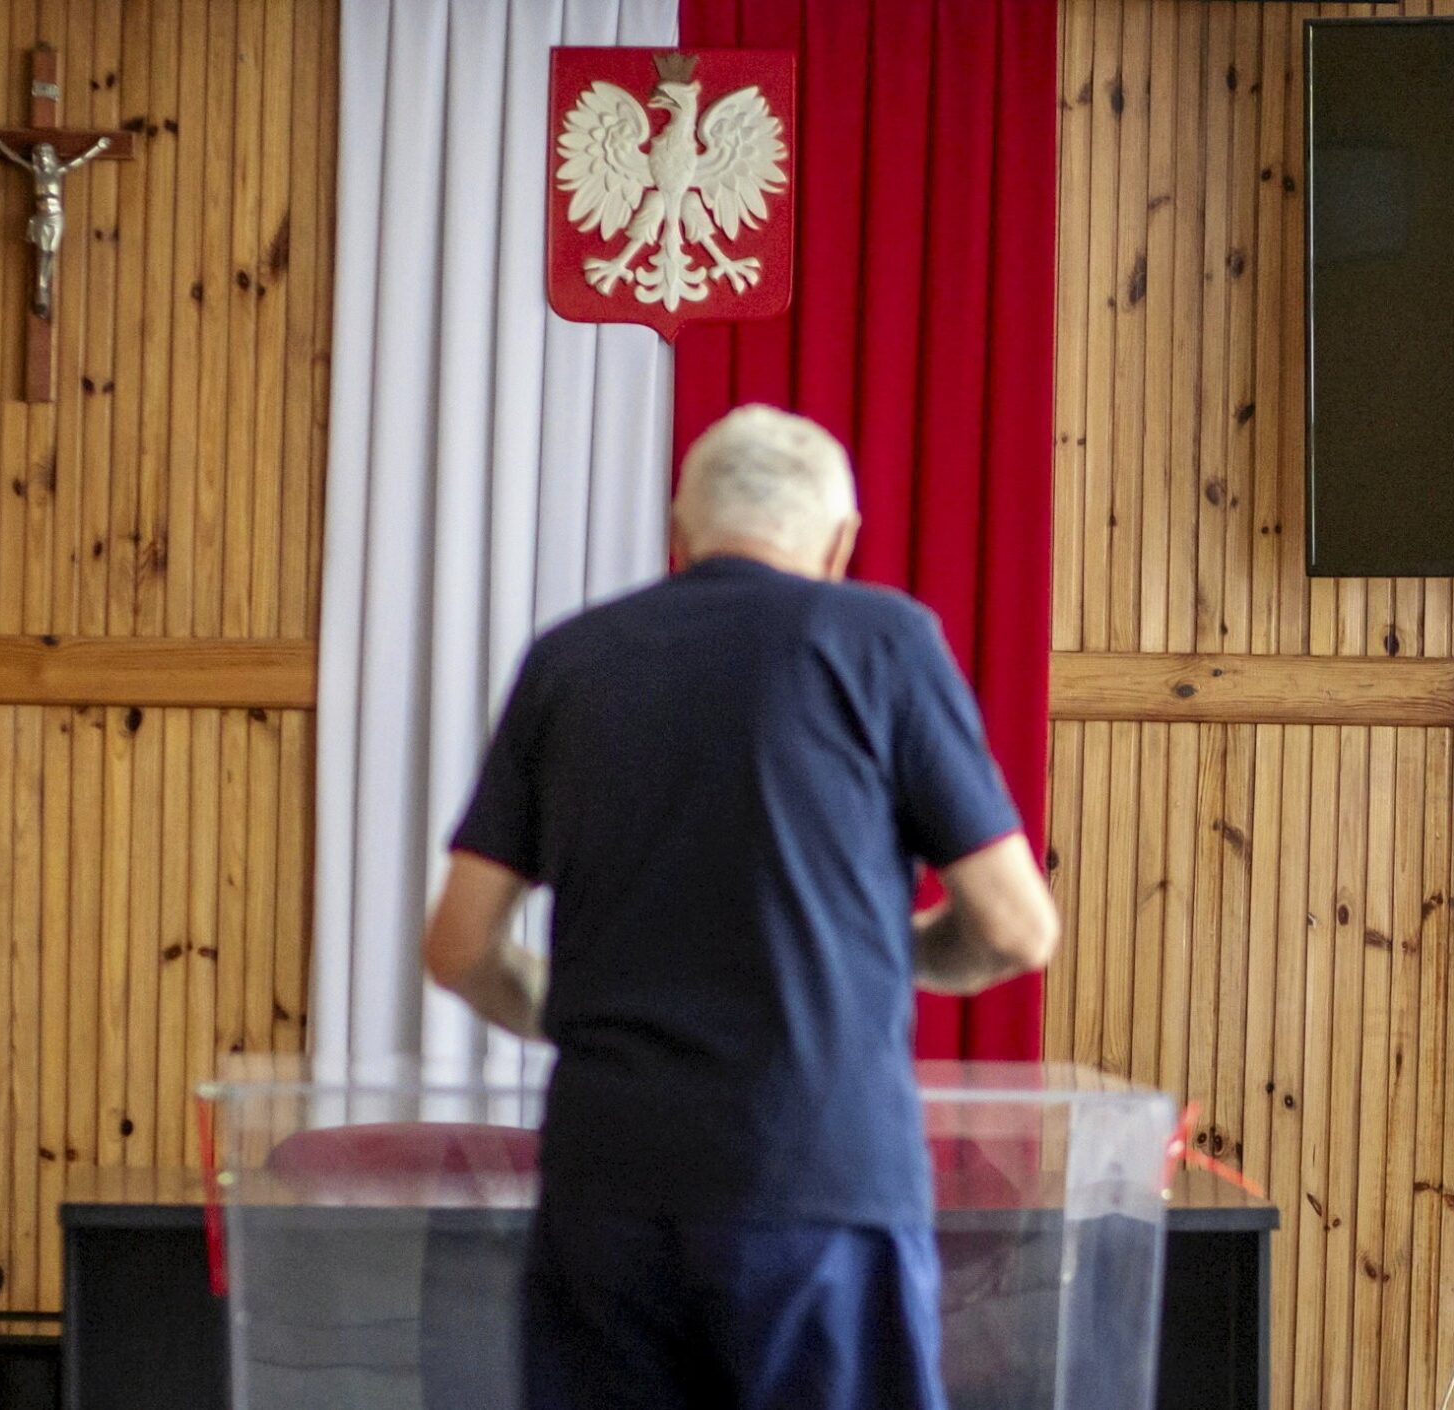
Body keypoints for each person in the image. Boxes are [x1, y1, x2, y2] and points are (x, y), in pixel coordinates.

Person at [422, 403, 1059, 1410]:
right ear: (840, 543)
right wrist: (876, 959)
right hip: (819, 1176)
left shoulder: (569, 659)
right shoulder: (884, 642)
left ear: (677, 537)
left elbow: (459, 947)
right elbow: (1017, 929)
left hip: (608, 1184)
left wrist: (591, 1009)